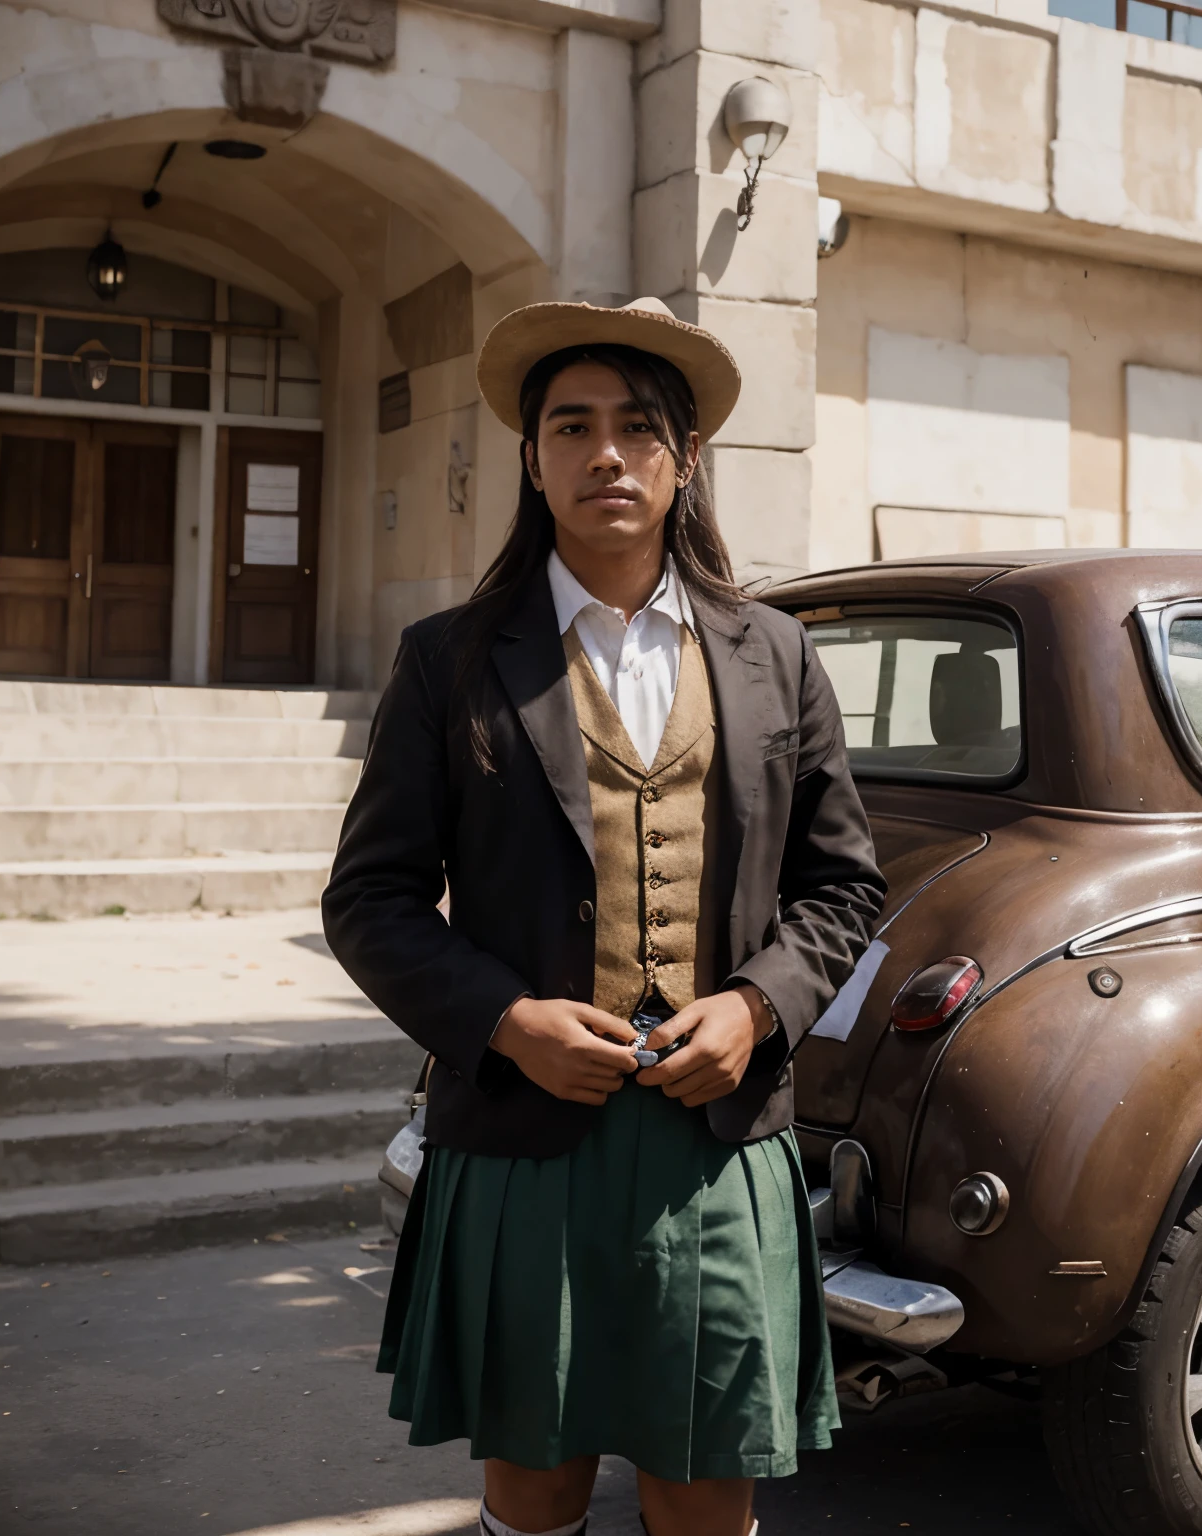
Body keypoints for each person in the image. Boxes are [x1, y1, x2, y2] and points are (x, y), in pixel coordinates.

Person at [323, 296, 887, 1536]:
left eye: (639, 427)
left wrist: (757, 1007)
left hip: (718, 1142)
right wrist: (505, 1020)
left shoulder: (777, 655)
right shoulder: (451, 660)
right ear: (532, 459)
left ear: (686, 459)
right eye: (571, 426)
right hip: (524, 1142)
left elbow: (845, 888)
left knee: (705, 1491)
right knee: (535, 1490)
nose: (607, 454)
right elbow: (368, 900)